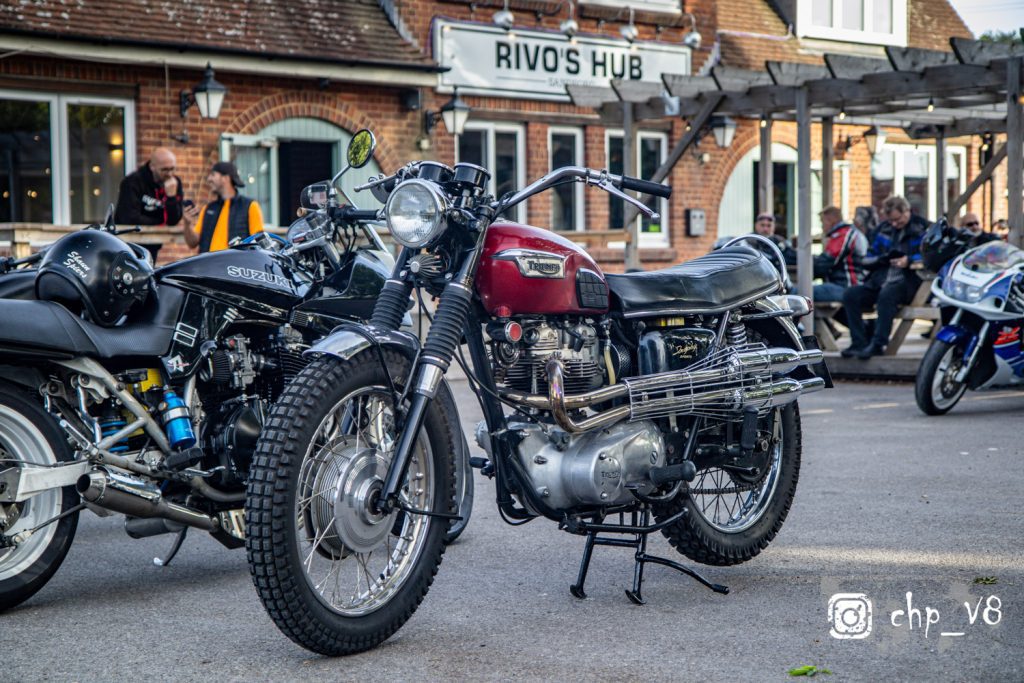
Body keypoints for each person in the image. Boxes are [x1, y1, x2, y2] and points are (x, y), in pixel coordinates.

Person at [840, 196, 929, 360]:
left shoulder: (922, 228)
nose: (894, 224)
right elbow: (867, 258)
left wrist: (909, 260)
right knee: (850, 295)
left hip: (909, 282)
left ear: (907, 211)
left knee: (887, 295)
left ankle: (878, 343)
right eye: (891, 220)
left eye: (898, 219)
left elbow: (929, 256)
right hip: (880, 279)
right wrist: (881, 259)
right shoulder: (882, 229)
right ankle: (859, 342)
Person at [182, 161, 264, 253]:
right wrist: (187, 224)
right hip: (207, 266)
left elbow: (259, 243)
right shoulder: (208, 208)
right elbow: (192, 243)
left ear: (225, 178)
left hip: (235, 266)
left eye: (213, 175)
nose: (209, 179)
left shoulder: (250, 206)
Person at [115, 147, 184, 227]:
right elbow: (129, 217)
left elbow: (174, 221)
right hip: (132, 235)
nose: (169, 174)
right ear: (152, 167)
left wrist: (171, 198)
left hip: (163, 235)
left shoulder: (174, 182)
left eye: (172, 169)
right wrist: (161, 223)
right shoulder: (133, 182)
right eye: (164, 170)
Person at [813, 206, 868, 303]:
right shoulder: (850, 232)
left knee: (800, 293)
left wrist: (804, 264)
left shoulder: (843, 235)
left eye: (823, 222)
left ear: (831, 220)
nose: (822, 227)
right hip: (851, 286)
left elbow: (824, 263)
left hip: (847, 288)